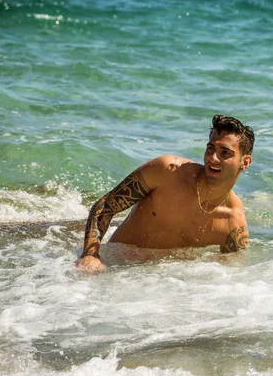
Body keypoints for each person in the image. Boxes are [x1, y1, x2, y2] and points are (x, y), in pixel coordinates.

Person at [75, 115, 254, 273]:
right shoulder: (168, 171)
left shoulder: (233, 225)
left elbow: (228, 277)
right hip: (112, 265)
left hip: (156, 285)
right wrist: (90, 255)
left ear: (245, 162)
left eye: (225, 153)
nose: (212, 158)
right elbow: (105, 205)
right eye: (210, 148)